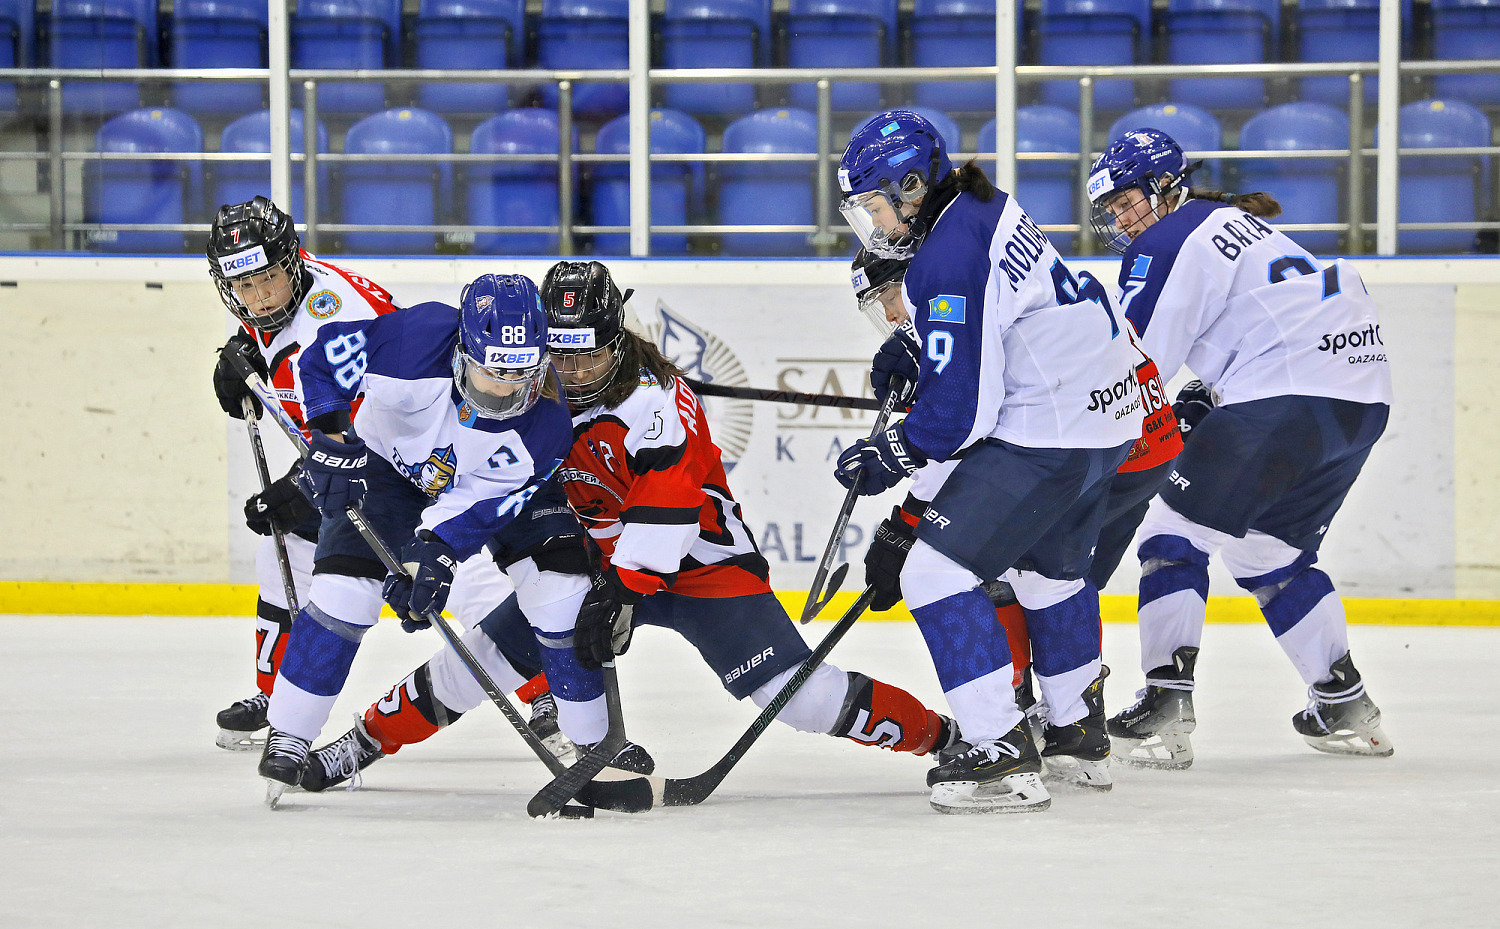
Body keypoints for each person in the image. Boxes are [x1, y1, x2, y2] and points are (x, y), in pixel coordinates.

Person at [302, 260, 963, 793]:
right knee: (476, 662)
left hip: (699, 562)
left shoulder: (653, 399)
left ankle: (947, 737)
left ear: (616, 343)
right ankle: (358, 743)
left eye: (590, 358)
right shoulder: (510, 389)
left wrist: (624, 589)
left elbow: (670, 505)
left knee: (802, 698)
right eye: (558, 358)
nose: (574, 375)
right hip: (587, 562)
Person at [833, 109, 1146, 813]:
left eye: (877, 205)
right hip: (1110, 420)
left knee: (935, 570)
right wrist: (925, 346)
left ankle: (999, 748)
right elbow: (1004, 315)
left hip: (1053, 428)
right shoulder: (979, 204)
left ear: (912, 186)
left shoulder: (944, 255)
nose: (875, 224)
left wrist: (894, 451)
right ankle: (1074, 731)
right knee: (1049, 571)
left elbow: (962, 416)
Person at [1086, 128, 1394, 767]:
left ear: (1167, 187)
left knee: (1172, 535)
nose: (1121, 218)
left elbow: (1136, 365)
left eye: (1127, 201)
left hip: (1286, 391)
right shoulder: (1235, 226)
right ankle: (1342, 701)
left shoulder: (1168, 241)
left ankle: (1166, 699)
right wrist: (1201, 396)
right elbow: (1255, 320)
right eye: (1111, 209)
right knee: (1269, 549)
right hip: (1361, 396)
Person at [255, 273, 613, 804]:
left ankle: (593, 745)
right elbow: (324, 359)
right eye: (491, 372)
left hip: (472, 489)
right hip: (385, 465)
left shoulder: (545, 426)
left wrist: (435, 555)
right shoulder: (416, 339)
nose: (506, 390)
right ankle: (289, 732)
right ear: (461, 350)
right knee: (344, 594)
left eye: (521, 374)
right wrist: (328, 441)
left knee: (559, 591)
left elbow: (484, 504)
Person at [206, 195, 399, 751]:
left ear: (291, 262)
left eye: (266, 279)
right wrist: (249, 357)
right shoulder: (280, 302)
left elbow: (379, 423)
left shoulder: (340, 316)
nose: (257, 297)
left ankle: (543, 697)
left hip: (418, 462)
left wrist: (308, 485)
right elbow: (284, 356)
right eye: (242, 287)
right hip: (347, 451)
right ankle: (276, 695)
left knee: (476, 573)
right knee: (283, 548)